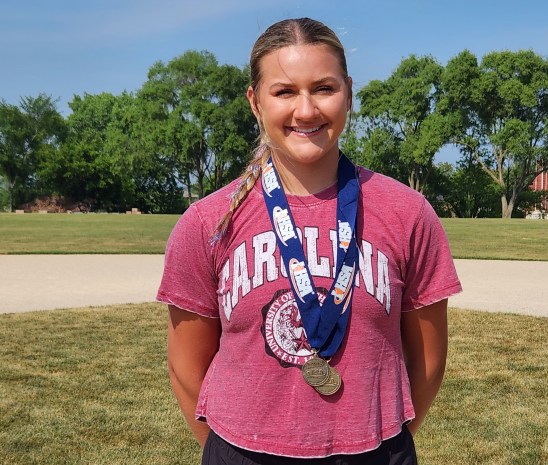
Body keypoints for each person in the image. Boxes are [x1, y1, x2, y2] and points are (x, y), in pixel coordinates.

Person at [157, 17, 462, 465]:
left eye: (323, 88)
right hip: (242, 453)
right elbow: (187, 368)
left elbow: (428, 361)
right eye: (284, 91)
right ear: (255, 102)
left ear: (349, 93)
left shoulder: (407, 212)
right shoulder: (209, 221)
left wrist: (372, 437)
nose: (306, 111)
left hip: (375, 452)